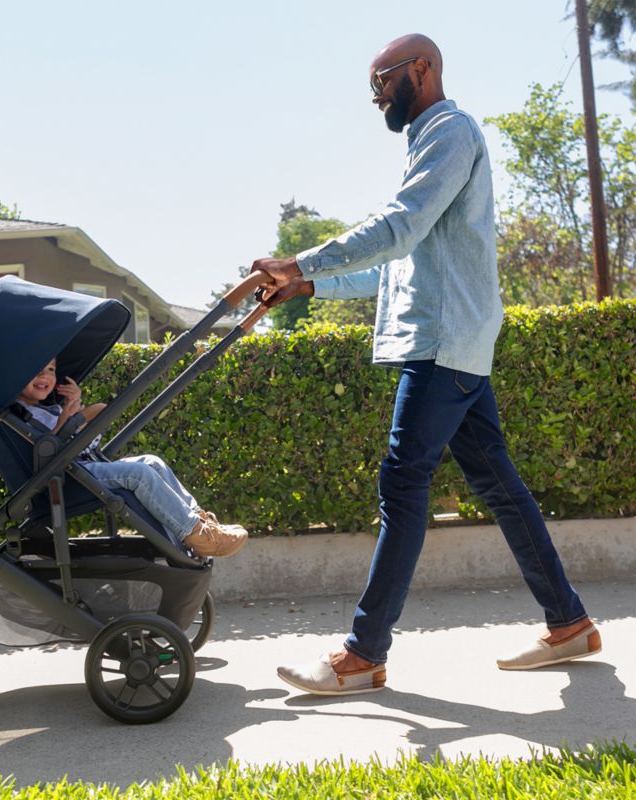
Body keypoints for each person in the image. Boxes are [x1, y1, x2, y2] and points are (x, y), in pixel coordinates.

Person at [251, 33, 600, 696]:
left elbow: (398, 229)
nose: (378, 93)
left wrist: (301, 260)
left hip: (442, 349)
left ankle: (363, 653)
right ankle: (571, 623)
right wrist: (310, 287)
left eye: (383, 78)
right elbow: (399, 269)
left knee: (402, 484)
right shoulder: (428, 147)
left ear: (424, 68)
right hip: (454, 347)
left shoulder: (450, 131)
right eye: (373, 84)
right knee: (498, 485)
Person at [17, 359, 248, 558]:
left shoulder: (52, 409)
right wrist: (68, 419)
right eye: (36, 369)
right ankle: (197, 536)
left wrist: (76, 411)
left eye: (50, 369)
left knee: (151, 461)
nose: (44, 376)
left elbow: (81, 440)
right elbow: (45, 450)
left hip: (83, 466)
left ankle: (202, 524)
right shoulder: (20, 417)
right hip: (65, 479)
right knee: (139, 474)